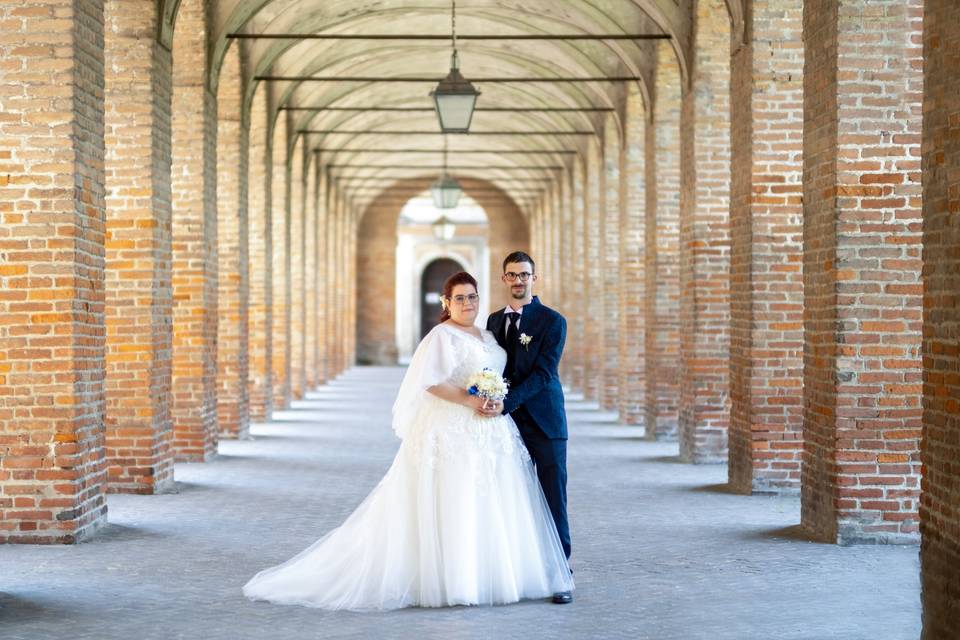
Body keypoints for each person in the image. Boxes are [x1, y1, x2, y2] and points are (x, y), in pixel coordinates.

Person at [243, 271, 573, 610]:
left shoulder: (489, 331)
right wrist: (471, 399)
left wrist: (494, 396)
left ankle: (497, 571)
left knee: (492, 498)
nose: (467, 303)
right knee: (456, 496)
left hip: (492, 429)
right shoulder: (441, 336)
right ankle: (456, 578)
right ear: (447, 303)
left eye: (472, 296)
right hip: (454, 424)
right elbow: (429, 382)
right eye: (459, 298)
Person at [485, 251, 573, 604]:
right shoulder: (493, 321)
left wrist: (507, 402)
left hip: (545, 421)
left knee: (554, 498)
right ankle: (521, 570)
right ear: (504, 279)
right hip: (506, 426)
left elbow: (544, 373)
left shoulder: (553, 321)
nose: (519, 280)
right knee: (511, 498)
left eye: (525, 275)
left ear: (534, 279)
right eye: (512, 275)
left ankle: (562, 574)